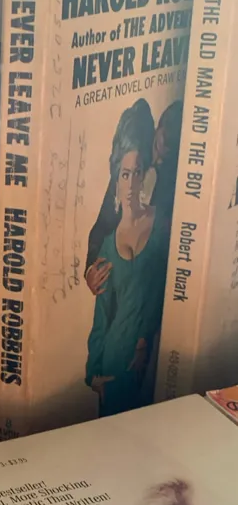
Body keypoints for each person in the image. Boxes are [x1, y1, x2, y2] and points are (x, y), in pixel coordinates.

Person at [85, 101, 171, 417]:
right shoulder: (108, 243)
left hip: (150, 359)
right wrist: (93, 375)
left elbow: (160, 293)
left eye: (137, 173)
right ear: (116, 180)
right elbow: (101, 316)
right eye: (124, 175)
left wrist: (145, 340)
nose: (132, 184)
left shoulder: (162, 226)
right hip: (112, 364)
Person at [85, 98, 183, 297]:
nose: (157, 159)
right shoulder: (129, 161)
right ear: (158, 128)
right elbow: (102, 224)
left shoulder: (173, 180)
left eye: (165, 157)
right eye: (158, 146)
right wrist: (90, 271)